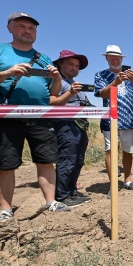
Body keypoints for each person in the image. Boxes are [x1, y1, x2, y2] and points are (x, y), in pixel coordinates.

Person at [0, 12, 69, 221]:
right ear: (9, 28)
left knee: (47, 160)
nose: (28, 31)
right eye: (21, 26)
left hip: (41, 118)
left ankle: (51, 202)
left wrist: (57, 78)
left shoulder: (44, 58)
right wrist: (8, 72)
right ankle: (5, 209)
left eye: (32, 28)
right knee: (6, 164)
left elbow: (53, 94)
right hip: (7, 117)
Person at [94, 45, 133, 196]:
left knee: (128, 150)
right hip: (109, 119)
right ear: (106, 58)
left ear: (121, 59)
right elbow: (101, 94)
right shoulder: (101, 75)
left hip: (129, 118)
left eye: (117, 58)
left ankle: (127, 180)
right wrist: (115, 82)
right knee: (110, 150)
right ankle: (113, 184)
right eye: (112, 58)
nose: (115, 61)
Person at [49, 50, 92, 207]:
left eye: (77, 66)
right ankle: (63, 195)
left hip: (78, 124)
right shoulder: (56, 80)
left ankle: (71, 191)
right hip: (65, 124)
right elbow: (52, 101)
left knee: (77, 159)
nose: (75, 68)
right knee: (67, 159)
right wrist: (71, 92)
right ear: (60, 64)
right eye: (71, 64)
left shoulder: (71, 82)